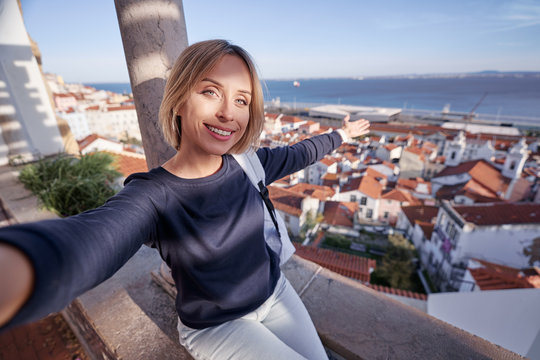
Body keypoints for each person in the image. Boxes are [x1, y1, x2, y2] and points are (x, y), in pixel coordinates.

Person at [0, 39, 370, 359]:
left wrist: (342, 134)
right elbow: (96, 237)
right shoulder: (153, 194)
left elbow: (300, 152)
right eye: (211, 92)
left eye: (242, 100)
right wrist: (26, 265)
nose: (228, 112)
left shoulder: (247, 165)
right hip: (218, 326)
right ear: (178, 101)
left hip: (275, 293)